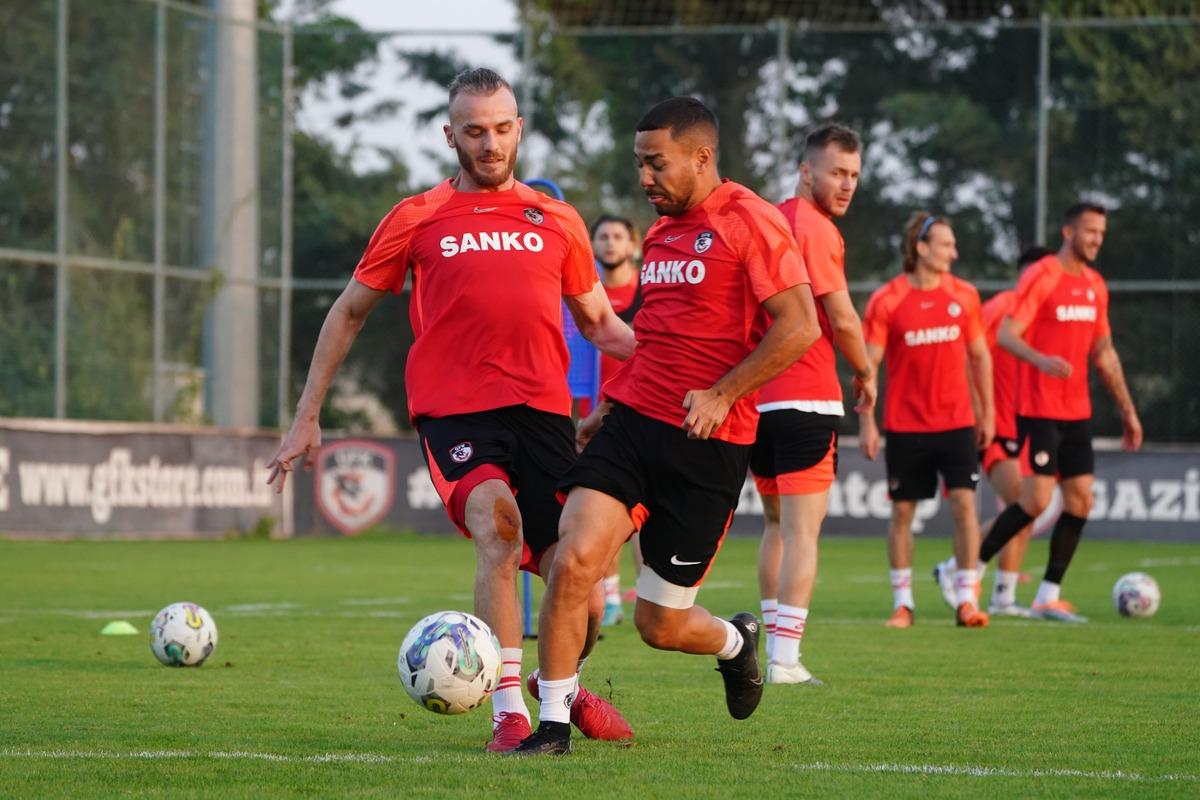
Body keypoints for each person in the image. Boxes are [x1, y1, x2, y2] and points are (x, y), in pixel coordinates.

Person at [265, 68, 638, 752]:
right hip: (457, 412)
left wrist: (680, 368)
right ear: (449, 135)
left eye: (501, 129)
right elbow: (349, 312)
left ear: (519, 129)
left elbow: (601, 325)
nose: (490, 144)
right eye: (474, 131)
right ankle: (509, 715)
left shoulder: (557, 220)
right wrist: (306, 415)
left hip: (545, 413)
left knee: (577, 578)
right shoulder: (416, 216)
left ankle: (563, 687)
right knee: (499, 529)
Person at [511, 96, 820, 756]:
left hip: (708, 445)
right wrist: (608, 407)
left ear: (701, 157)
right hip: (632, 429)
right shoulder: (660, 234)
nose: (644, 178)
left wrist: (723, 392)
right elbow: (654, 339)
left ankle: (737, 643)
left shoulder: (753, 222)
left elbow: (800, 326)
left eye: (657, 164)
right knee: (572, 561)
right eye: (638, 164)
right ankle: (555, 727)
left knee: (660, 624)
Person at [976, 202, 1143, 622]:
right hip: (1038, 409)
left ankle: (1047, 595)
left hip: (1076, 412)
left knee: (1082, 500)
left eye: (1101, 233)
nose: (1096, 240)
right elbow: (1007, 336)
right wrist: (1040, 360)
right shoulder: (1044, 275)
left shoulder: (1095, 286)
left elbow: (1104, 352)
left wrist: (1128, 410)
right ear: (1068, 232)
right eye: (1090, 232)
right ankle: (969, 569)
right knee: (1033, 501)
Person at [752, 124, 876, 686]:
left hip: (758, 400)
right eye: (836, 173)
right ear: (807, 172)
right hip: (806, 394)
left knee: (776, 525)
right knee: (803, 532)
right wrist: (866, 371)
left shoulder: (768, 217)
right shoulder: (815, 228)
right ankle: (784, 660)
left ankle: (774, 647)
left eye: (854, 175)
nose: (847, 184)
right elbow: (843, 316)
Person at [859, 212, 993, 629]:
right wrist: (868, 422)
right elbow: (869, 365)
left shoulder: (965, 295)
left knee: (965, 506)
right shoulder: (888, 299)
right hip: (905, 426)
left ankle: (967, 600)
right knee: (903, 514)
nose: (953, 252)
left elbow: (980, 355)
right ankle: (903, 604)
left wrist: (987, 412)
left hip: (956, 424)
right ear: (920, 248)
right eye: (945, 245)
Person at [931, 245, 1054, 617]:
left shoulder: (1042, 316)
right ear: (1024, 275)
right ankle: (955, 568)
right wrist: (975, 409)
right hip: (994, 424)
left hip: (1029, 421)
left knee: (1027, 508)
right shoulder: (998, 309)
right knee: (1021, 498)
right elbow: (968, 353)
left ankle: (1003, 595)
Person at [588, 214, 645, 627]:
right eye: (602, 237)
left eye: (617, 237)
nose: (609, 243)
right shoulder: (584, 296)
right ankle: (609, 600)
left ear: (633, 244)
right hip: (594, 415)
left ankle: (647, 596)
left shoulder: (649, 290)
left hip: (643, 410)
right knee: (600, 512)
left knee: (644, 514)